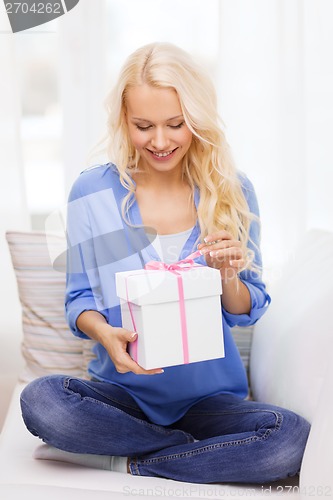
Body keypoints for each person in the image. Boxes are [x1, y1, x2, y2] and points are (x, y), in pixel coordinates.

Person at [20, 42, 310, 484]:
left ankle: (136, 460)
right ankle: (190, 452)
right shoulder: (92, 192)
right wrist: (105, 334)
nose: (159, 141)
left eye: (175, 124)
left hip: (211, 401)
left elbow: (249, 306)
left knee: (288, 437)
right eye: (143, 126)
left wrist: (226, 275)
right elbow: (79, 299)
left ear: (196, 119)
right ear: (123, 120)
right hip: (123, 395)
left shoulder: (232, 190)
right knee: (42, 401)